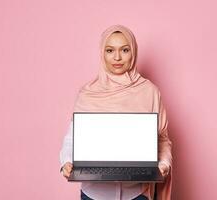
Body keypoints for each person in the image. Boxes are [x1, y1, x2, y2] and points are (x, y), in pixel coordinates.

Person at [59, 25, 173, 200]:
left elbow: (162, 139)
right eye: (110, 50)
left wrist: (164, 164)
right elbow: (73, 137)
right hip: (93, 194)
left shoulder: (149, 92)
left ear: (133, 52)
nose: (117, 57)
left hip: (136, 194)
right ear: (102, 53)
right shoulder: (88, 93)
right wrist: (66, 162)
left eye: (125, 50)